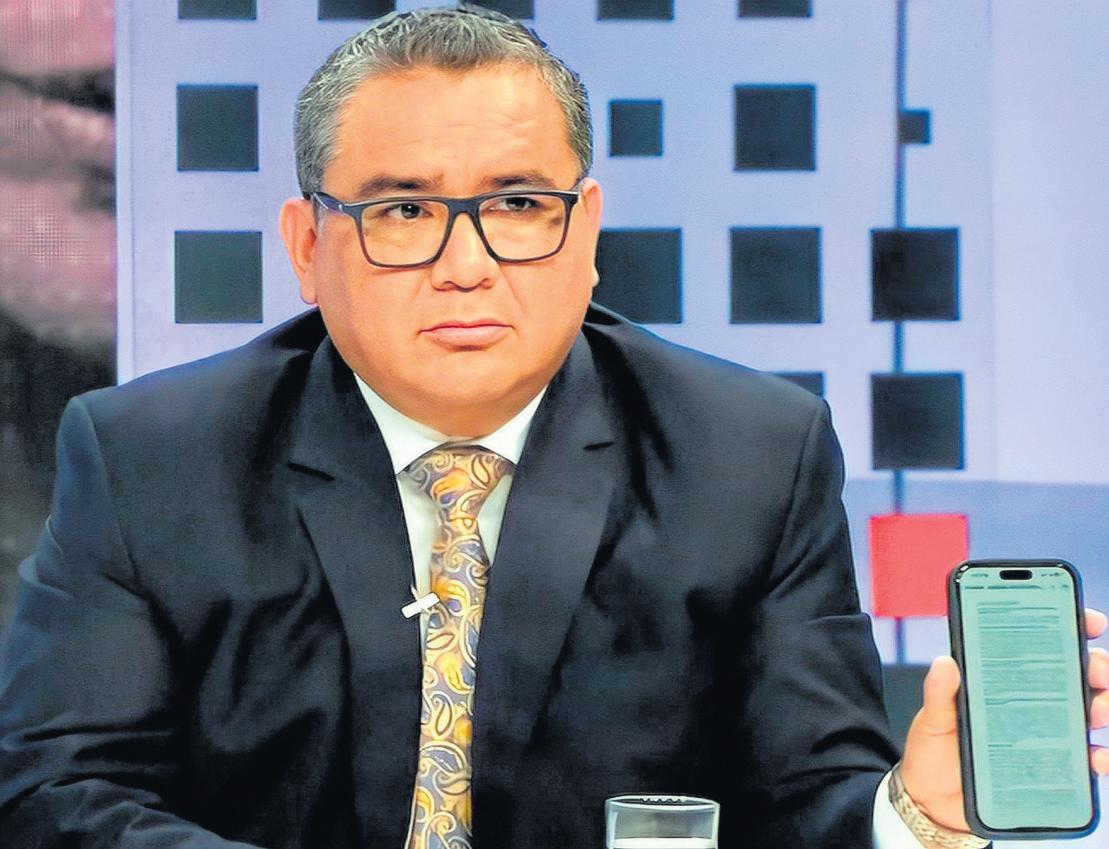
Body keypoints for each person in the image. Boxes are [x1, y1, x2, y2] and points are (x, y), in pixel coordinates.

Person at [0, 5, 1105, 848]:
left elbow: (807, 798)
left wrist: (915, 811)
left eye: (519, 205)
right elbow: (57, 794)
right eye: (403, 210)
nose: (466, 264)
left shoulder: (749, 454)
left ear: (588, 231)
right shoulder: (151, 456)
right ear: (306, 245)